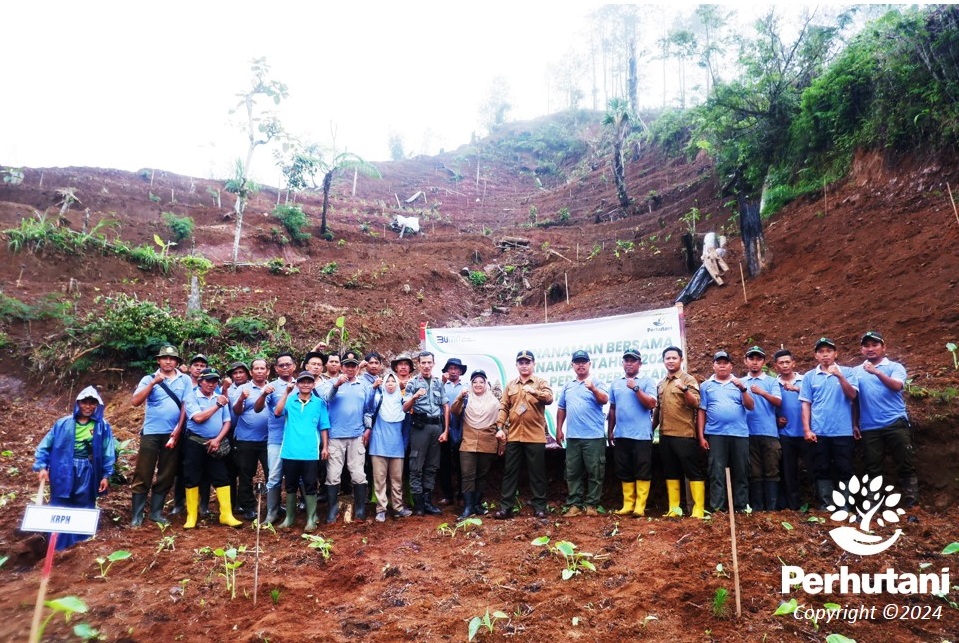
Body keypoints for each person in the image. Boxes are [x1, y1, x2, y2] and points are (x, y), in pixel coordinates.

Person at [33, 386, 116, 550]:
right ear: (78, 403)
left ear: (97, 405)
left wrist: (106, 475)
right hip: (62, 468)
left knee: (83, 504)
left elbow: (108, 451)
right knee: (60, 504)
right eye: (85, 402)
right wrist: (42, 466)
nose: (88, 406)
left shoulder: (102, 426)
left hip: (86, 469)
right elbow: (45, 445)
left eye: (92, 403)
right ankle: (57, 547)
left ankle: (78, 548)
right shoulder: (63, 424)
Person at [129, 344, 189, 527]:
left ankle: (156, 513)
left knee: (166, 473)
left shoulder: (184, 379)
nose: (168, 361)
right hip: (151, 433)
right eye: (165, 358)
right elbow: (135, 401)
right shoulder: (148, 378)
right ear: (158, 360)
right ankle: (137, 515)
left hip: (172, 433)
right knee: (143, 472)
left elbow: (186, 405)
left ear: (177, 362)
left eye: (172, 359)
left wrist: (179, 429)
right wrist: (154, 383)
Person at [854, 331, 917, 505]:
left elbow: (897, 386)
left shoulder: (894, 367)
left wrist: (876, 372)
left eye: (875, 345)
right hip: (869, 426)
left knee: (905, 463)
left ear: (884, 347)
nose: (870, 349)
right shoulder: (856, 371)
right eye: (866, 346)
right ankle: (873, 505)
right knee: (872, 467)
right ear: (861, 350)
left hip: (895, 422)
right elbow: (854, 400)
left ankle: (912, 504)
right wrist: (854, 424)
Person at [493, 350, 554, 519]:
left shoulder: (540, 382)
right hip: (514, 436)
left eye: (528, 362)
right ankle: (506, 508)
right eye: (521, 362)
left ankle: (539, 507)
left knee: (537, 473)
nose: (524, 365)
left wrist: (534, 392)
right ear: (517, 365)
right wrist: (499, 428)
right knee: (510, 472)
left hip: (534, 437)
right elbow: (504, 407)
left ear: (533, 364)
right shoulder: (511, 385)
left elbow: (549, 398)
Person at [799, 337, 858, 508]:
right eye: (821, 352)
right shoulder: (810, 377)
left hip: (843, 430)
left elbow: (852, 395)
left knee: (844, 469)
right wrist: (807, 429)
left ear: (835, 354)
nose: (825, 355)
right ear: (816, 355)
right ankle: (825, 504)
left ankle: (845, 505)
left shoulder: (848, 372)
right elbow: (805, 404)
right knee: (821, 468)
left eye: (829, 351)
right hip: (819, 431)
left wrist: (839, 376)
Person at [182, 368, 242, 529]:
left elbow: (227, 422)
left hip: (215, 443)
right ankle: (192, 515)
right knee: (192, 477)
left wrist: (217, 439)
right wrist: (217, 405)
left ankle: (226, 514)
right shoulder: (192, 397)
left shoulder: (220, 398)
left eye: (214, 381)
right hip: (194, 442)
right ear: (200, 381)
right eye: (208, 380)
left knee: (222, 476)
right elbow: (198, 418)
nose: (211, 384)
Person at [319, 351, 374, 523]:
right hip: (335, 436)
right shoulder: (329, 383)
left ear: (358, 368)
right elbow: (326, 398)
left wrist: (367, 429)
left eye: (353, 366)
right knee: (333, 474)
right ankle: (332, 510)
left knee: (358, 473)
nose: (350, 369)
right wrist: (337, 385)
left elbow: (368, 409)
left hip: (357, 435)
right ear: (342, 368)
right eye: (347, 366)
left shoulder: (363, 385)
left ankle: (359, 510)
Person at [698, 351, 754, 512]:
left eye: (725, 362)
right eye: (719, 362)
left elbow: (751, 406)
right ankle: (717, 508)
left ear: (731, 365)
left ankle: (741, 506)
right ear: (713, 365)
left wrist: (743, 389)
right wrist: (701, 436)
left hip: (739, 434)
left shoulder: (740, 383)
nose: (722, 365)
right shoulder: (706, 386)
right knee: (716, 471)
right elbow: (702, 411)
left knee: (741, 471)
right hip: (716, 434)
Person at [274, 371, 330, 531]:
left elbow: (324, 426)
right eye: (302, 382)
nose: (306, 385)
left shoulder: (319, 403)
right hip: (290, 451)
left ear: (313, 384)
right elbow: (277, 412)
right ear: (297, 384)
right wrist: (285, 392)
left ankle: (311, 518)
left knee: (310, 485)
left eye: (309, 382)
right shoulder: (290, 401)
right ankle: (289, 518)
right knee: (290, 485)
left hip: (310, 452)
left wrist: (325, 447)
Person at [556, 350, 610, 517]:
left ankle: (592, 505)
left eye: (583, 362)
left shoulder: (597, 382)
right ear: (572, 365)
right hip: (573, 437)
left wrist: (593, 388)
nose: (580, 365)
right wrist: (559, 429)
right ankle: (575, 504)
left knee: (595, 472)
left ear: (589, 364)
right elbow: (561, 408)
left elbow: (604, 399)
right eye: (577, 362)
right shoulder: (568, 385)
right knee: (572, 472)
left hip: (594, 436)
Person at [654, 346, 705, 518]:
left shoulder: (688, 380)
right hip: (665, 435)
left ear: (681, 360)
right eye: (667, 358)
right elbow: (658, 410)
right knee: (670, 471)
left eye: (674, 358)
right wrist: (651, 428)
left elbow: (695, 404)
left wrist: (684, 389)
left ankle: (698, 509)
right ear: (664, 361)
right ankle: (674, 509)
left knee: (693, 471)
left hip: (684, 434)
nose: (670, 361)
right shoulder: (661, 384)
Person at [607, 348, 657, 517]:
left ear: (639, 364)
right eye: (626, 360)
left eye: (633, 360)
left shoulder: (647, 381)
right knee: (624, 469)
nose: (629, 363)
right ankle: (628, 504)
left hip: (641, 435)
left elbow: (651, 404)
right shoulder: (616, 383)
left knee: (642, 469)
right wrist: (610, 430)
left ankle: (640, 507)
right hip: (621, 434)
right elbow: (612, 409)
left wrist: (636, 388)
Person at [403, 352, 449, 515]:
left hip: (436, 427)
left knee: (432, 465)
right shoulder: (413, 383)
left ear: (433, 364)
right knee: (416, 465)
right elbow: (405, 408)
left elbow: (445, 405)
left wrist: (445, 430)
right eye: (423, 362)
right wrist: (414, 397)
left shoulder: (438, 382)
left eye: (429, 362)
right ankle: (418, 505)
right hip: (420, 427)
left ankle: (428, 502)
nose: (427, 365)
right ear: (419, 364)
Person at [450, 370, 500, 520]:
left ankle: (477, 505)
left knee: (482, 476)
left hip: (488, 441)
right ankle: (467, 508)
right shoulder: (466, 399)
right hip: (468, 442)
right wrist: (460, 397)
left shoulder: (494, 402)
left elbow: (500, 422)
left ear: (486, 384)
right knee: (467, 475)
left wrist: (502, 442)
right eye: (475, 382)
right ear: (471, 385)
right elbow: (455, 411)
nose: (478, 385)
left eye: (481, 382)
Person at [254, 353, 297, 524]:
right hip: (276, 438)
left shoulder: (302, 384)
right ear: (276, 369)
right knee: (274, 476)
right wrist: (263, 395)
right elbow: (257, 409)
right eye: (281, 365)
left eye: (288, 364)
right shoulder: (271, 387)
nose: (285, 367)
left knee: (298, 476)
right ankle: (272, 512)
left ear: (294, 365)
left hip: (297, 439)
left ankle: (296, 511)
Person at [367, 372, 413, 522]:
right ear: (384, 384)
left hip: (397, 446)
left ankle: (398, 508)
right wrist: (373, 389)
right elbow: (367, 407)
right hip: (378, 445)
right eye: (388, 381)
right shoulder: (377, 400)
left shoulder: (403, 402)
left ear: (398, 384)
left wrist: (404, 445)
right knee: (379, 480)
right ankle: (381, 509)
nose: (391, 384)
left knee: (397, 479)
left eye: (394, 381)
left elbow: (407, 427)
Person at [742, 346, 782, 511]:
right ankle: (758, 508)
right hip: (748, 432)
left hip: (769, 432)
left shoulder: (772, 381)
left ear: (763, 362)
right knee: (755, 471)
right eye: (751, 359)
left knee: (772, 469)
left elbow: (778, 402)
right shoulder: (741, 382)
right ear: (746, 361)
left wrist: (762, 392)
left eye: (758, 359)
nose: (755, 362)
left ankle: (772, 508)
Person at [230, 359, 270, 521]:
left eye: (262, 368)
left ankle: (273, 506)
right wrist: (241, 399)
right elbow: (237, 411)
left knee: (272, 473)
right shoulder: (242, 388)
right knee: (246, 474)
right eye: (256, 368)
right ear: (251, 372)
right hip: (246, 439)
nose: (259, 371)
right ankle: (248, 506)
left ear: (268, 371)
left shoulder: (272, 387)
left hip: (269, 440)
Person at [773, 349, 810, 510]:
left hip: (806, 433)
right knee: (789, 472)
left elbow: (818, 398)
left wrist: (797, 389)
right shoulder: (773, 383)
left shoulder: (805, 380)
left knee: (813, 468)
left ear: (793, 363)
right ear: (776, 366)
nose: (785, 365)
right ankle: (793, 506)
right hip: (785, 434)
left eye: (787, 362)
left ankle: (817, 504)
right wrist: (776, 420)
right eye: (781, 363)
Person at [440, 357, 467, 506]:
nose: (453, 371)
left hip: (461, 428)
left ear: (461, 371)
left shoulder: (466, 386)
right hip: (444, 428)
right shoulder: (442, 385)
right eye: (450, 368)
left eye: (456, 368)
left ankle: (461, 495)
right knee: (444, 463)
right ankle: (447, 495)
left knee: (461, 464)